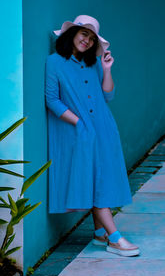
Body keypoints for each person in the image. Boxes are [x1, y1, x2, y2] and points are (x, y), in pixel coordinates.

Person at [45, 15, 140, 257]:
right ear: (72, 34)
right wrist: (78, 123)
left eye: (91, 37)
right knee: (96, 181)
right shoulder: (54, 63)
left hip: (104, 127)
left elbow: (108, 95)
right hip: (79, 131)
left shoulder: (94, 63)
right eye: (83, 34)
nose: (86, 40)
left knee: (102, 176)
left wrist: (106, 69)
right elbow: (52, 100)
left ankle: (100, 234)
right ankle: (115, 238)